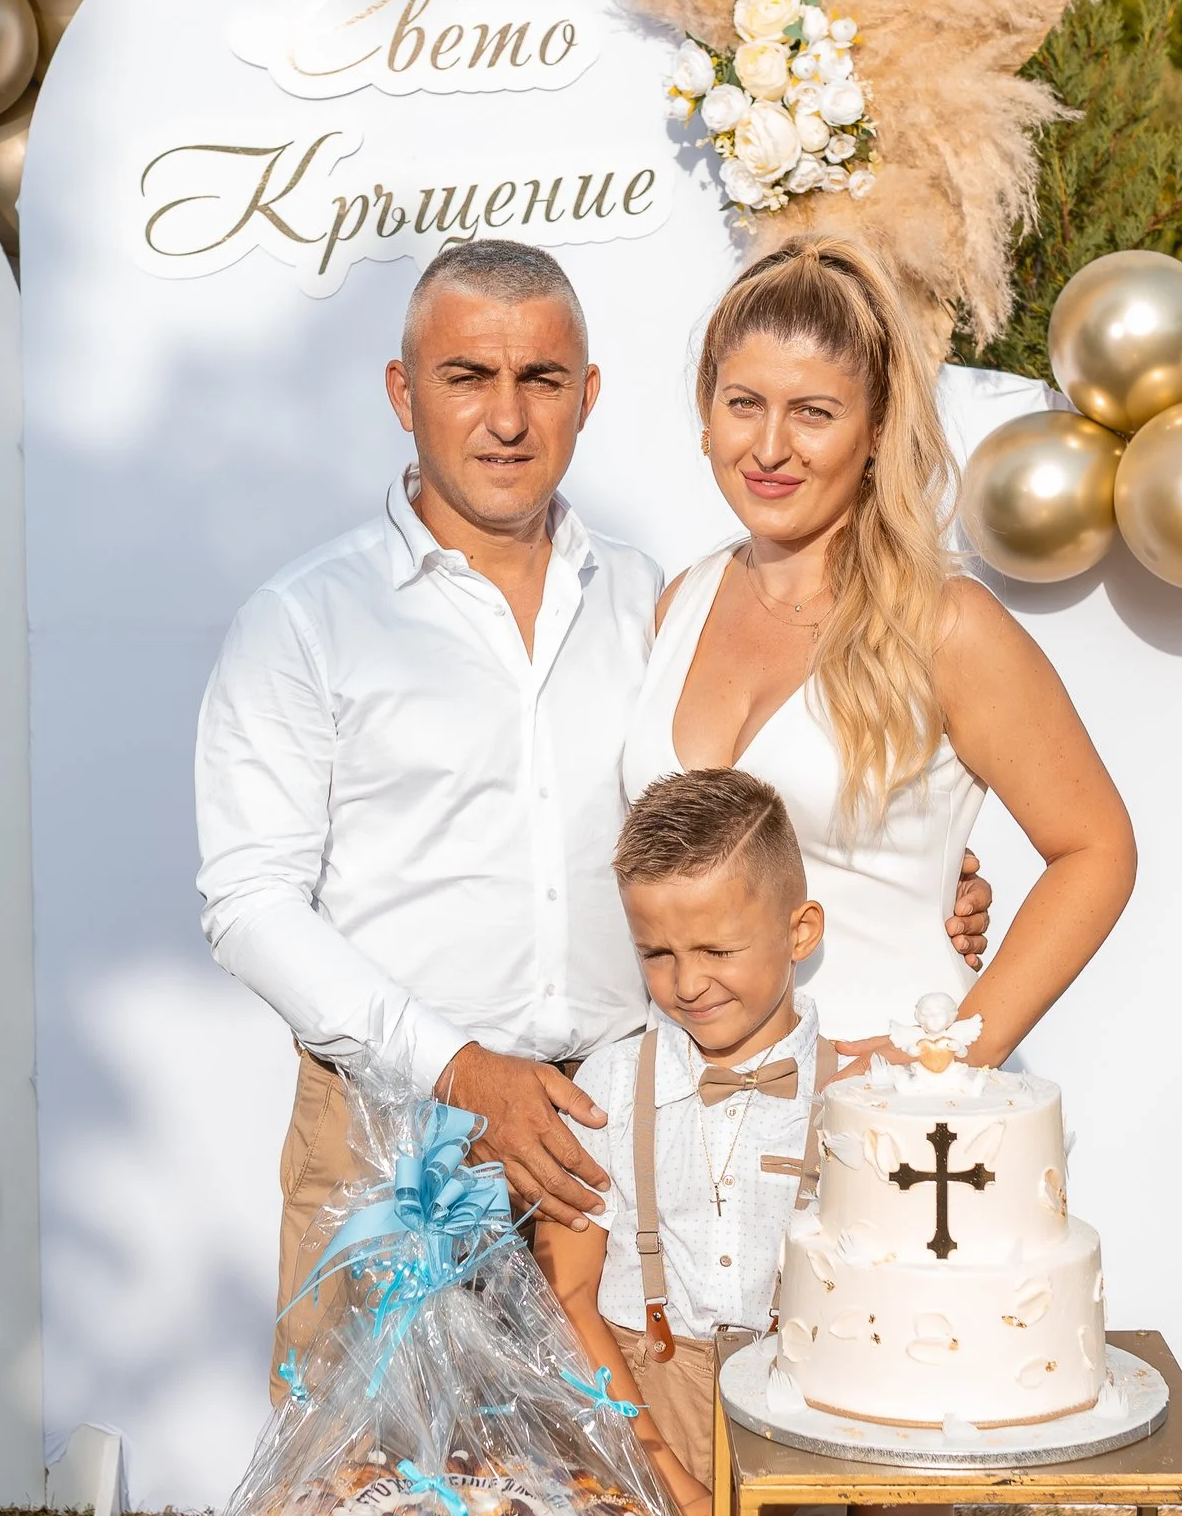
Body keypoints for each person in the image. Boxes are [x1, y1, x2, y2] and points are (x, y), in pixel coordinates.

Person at [194, 236, 995, 1334]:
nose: (507, 419)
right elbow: (248, 905)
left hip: (626, 1119)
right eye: (466, 377)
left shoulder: (649, 602)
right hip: (395, 1123)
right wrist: (463, 1071)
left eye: (542, 380)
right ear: (401, 392)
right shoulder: (303, 622)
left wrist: (921, 855)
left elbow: (714, 813)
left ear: (589, 395)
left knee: (615, 1490)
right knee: (369, 1486)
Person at [623, 235, 1137, 1516]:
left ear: (873, 428)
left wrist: (941, 1063)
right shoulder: (677, 600)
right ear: (703, 411)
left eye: (813, 410)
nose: (771, 444)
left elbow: (1093, 848)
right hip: (698, 1133)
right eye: (742, 402)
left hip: (873, 1155)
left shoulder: (944, 625)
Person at [536, 766, 844, 1516]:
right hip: (634, 1408)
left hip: (792, 1423)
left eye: (715, 949)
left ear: (799, 931)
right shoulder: (610, 1083)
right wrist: (666, 1476)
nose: (686, 983)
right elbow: (570, 1296)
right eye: (657, 954)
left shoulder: (853, 1093)